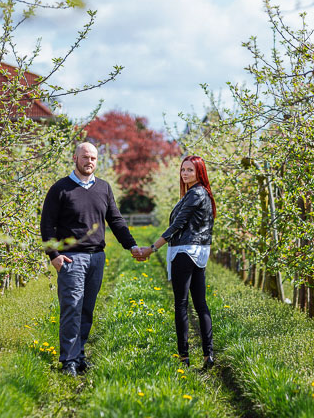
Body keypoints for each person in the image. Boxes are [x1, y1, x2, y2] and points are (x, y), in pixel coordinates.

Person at [41, 142, 145, 376]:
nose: (89, 162)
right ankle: (68, 360)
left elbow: (116, 221)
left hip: (97, 258)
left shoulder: (104, 188)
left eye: (94, 159)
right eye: (85, 157)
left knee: (87, 309)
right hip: (71, 259)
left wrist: (131, 245)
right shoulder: (60, 189)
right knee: (71, 308)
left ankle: (79, 354)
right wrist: (54, 256)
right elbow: (47, 224)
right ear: (75, 158)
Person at [134, 155, 216, 369]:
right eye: (183, 169)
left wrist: (152, 248)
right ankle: (208, 355)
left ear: (200, 172)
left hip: (184, 252)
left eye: (190, 169)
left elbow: (178, 225)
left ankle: (184, 357)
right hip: (200, 252)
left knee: (181, 304)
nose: (185, 173)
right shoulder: (203, 193)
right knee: (200, 303)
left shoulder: (194, 194)